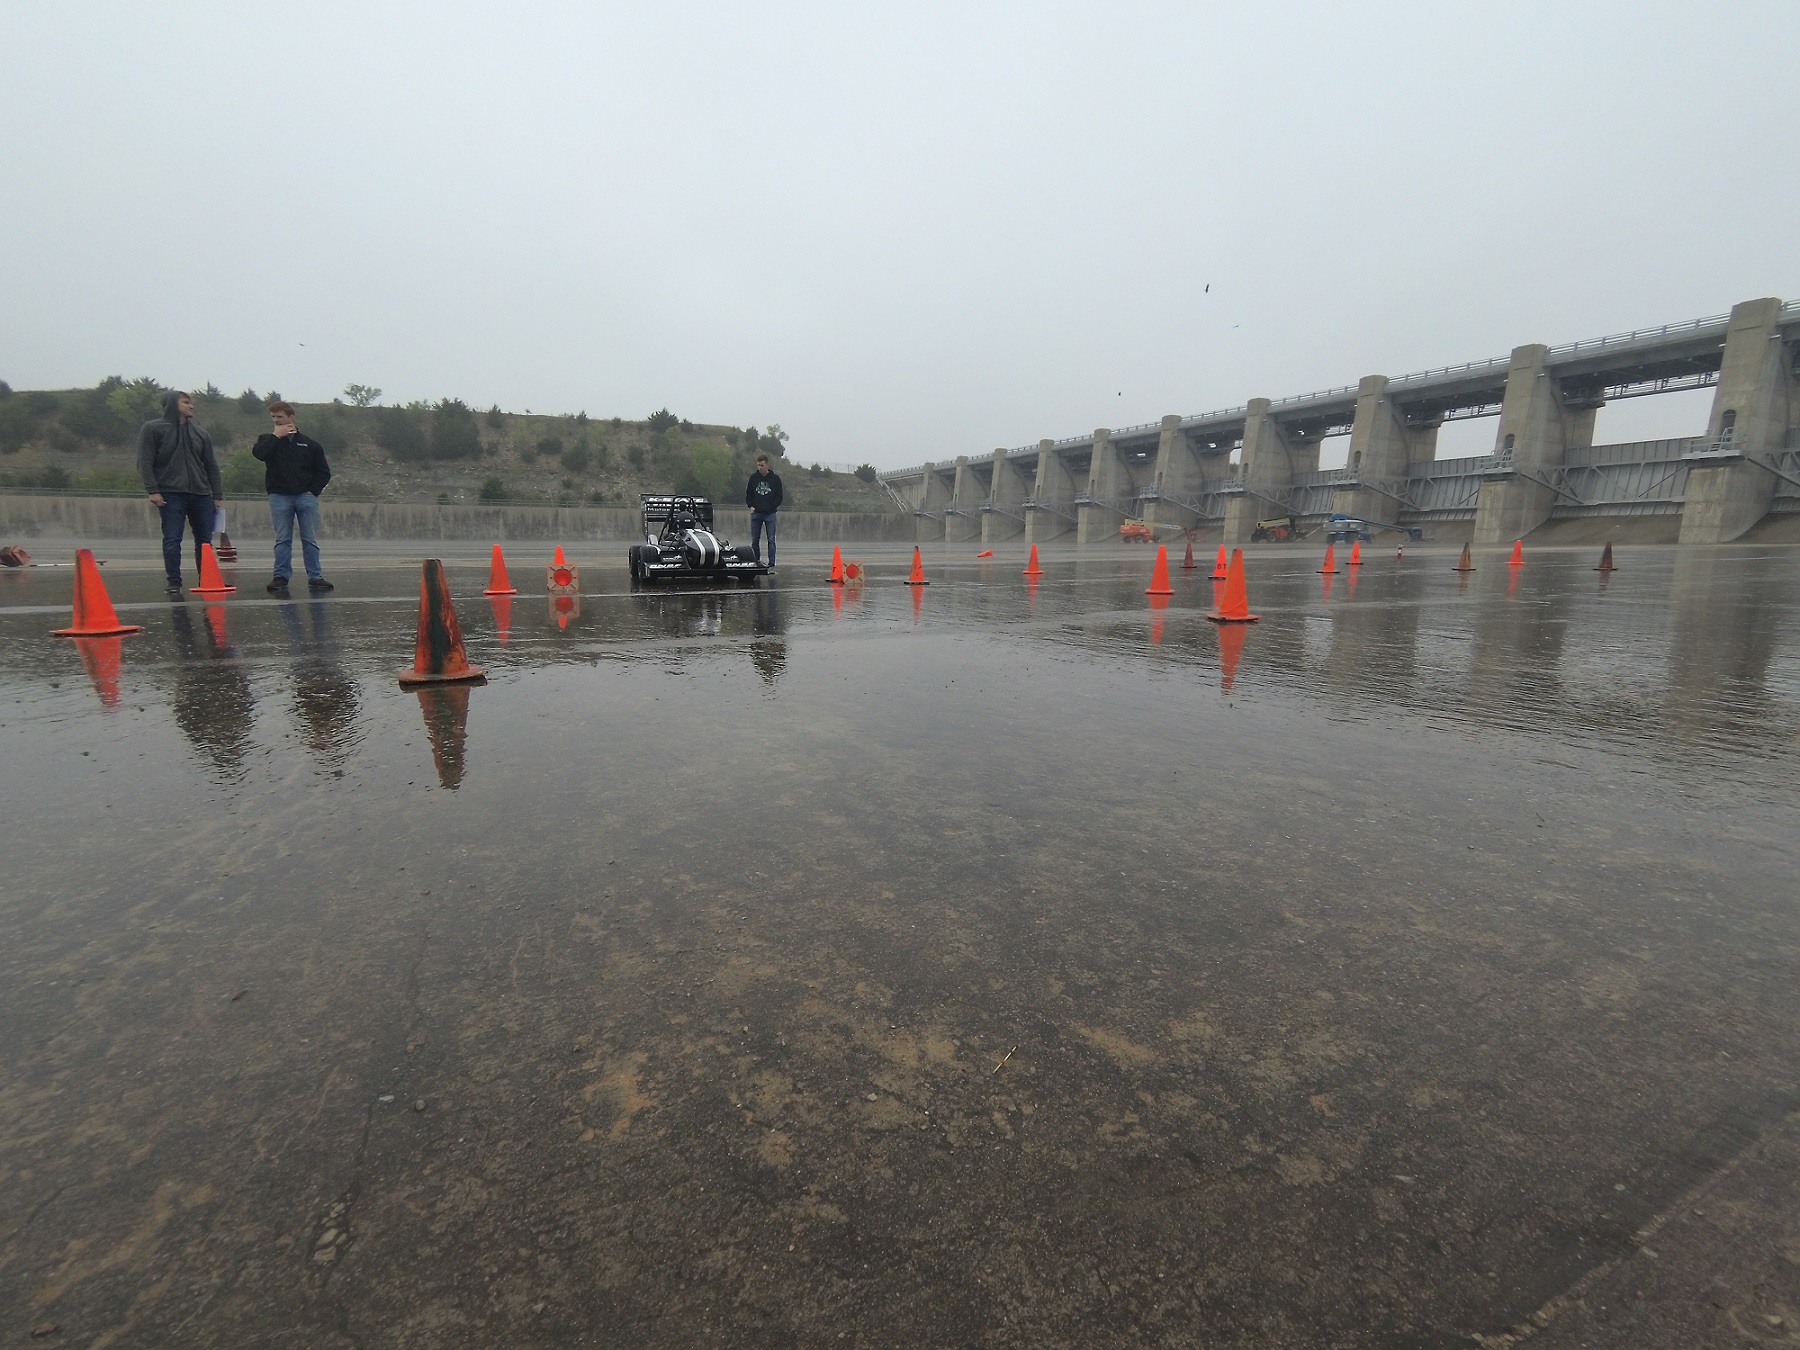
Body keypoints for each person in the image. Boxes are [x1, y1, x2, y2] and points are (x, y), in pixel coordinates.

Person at [138, 390, 224, 595]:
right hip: (170, 493)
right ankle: (174, 582)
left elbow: (211, 465)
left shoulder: (201, 433)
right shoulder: (153, 428)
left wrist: (217, 495)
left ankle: (207, 578)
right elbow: (145, 461)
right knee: (172, 538)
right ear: (171, 404)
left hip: (201, 494)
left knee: (204, 541)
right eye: (185, 402)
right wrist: (152, 490)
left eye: (191, 402)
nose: (191, 405)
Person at [252, 400, 334, 593]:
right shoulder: (267, 440)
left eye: (280, 417)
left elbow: (323, 472)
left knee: (309, 538)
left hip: (305, 496)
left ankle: (315, 576)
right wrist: (275, 437)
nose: (276, 420)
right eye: (273, 417)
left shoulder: (310, 444)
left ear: (291, 417)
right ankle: (280, 576)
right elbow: (259, 454)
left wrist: (312, 491)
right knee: (282, 538)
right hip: (279, 496)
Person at [744, 453, 783, 569]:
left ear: (767, 465)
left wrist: (772, 507)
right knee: (755, 539)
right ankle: (756, 561)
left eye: (762, 465)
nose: (760, 468)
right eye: (758, 465)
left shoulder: (775, 479)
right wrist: (750, 505)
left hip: (770, 514)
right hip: (756, 513)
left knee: (771, 539)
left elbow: (779, 496)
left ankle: (771, 563)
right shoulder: (753, 478)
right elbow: (749, 494)